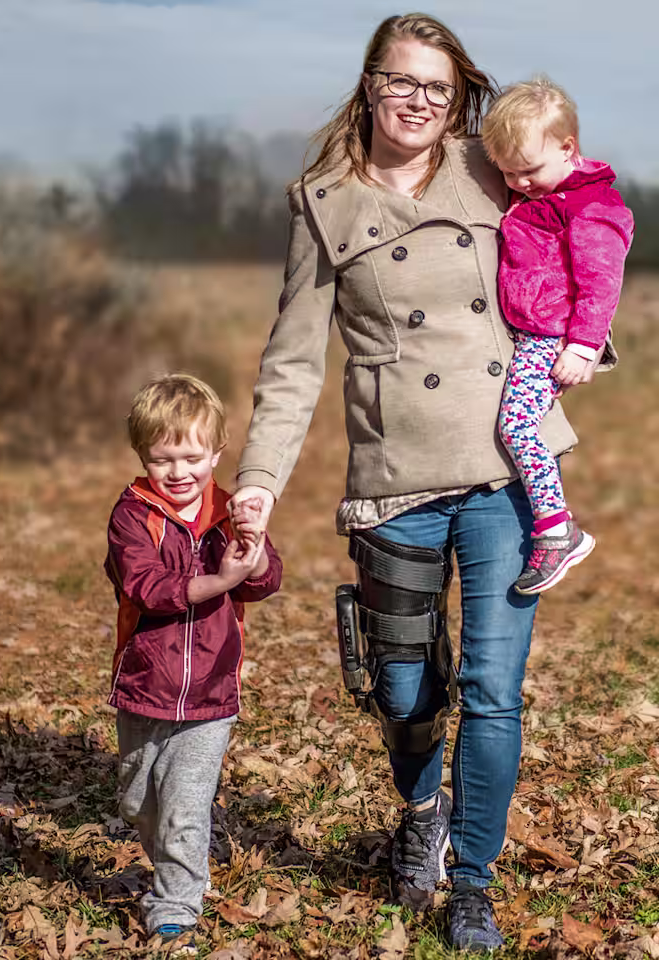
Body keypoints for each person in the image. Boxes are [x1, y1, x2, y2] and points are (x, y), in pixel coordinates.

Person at [229, 13, 615, 952]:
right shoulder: (322, 202)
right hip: (395, 478)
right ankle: (420, 812)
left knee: (491, 688)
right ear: (369, 84)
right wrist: (255, 487)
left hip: (504, 475)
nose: (418, 102)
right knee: (404, 691)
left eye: (438, 89)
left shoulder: (490, 167)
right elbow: (291, 364)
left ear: (460, 99)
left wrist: (585, 336)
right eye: (402, 83)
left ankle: (472, 879)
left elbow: (587, 226)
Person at [105, 374, 282, 952]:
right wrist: (218, 580)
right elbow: (146, 585)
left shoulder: (231, 511)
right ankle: (169, 862)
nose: (179, 472)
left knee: (185, 806)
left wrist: (251, 555)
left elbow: (266, 581)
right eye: (163, 460)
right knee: (137, 799)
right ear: (143, 458)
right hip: (143, 683)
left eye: (192, 457)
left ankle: (176, 904)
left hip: (211, 691)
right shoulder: (132, 516)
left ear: (217, 453)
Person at [480, 77, 633, 595]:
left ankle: (556, 527)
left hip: (551, 339)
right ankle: (552, 523)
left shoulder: (591, 209)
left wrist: (584, 345)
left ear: (568, 149)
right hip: (527, 332)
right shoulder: (542, 192)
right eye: (509, 174)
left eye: (529, 170)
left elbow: (600, 283)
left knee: (517, 427)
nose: (520, 183)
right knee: (514, 424)